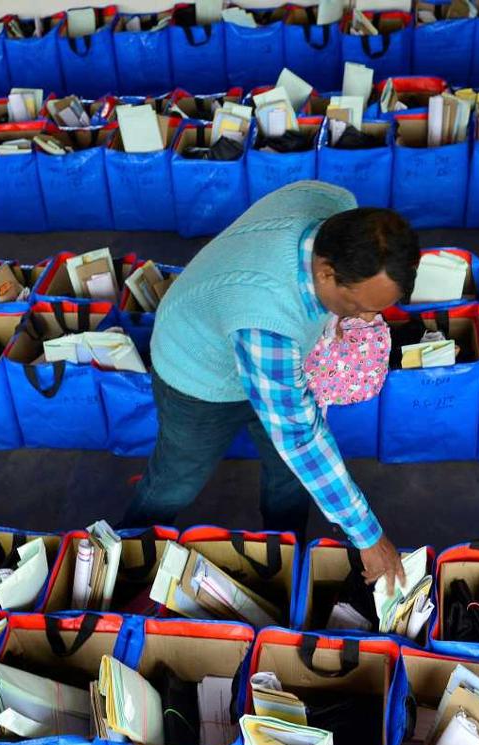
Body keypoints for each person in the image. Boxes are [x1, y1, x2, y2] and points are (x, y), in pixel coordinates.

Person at [121, 180, 418, 587]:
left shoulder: (335, 205)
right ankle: (123, 554)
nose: (367, 320)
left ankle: (283, 559)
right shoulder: (268, 318)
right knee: (177, 479)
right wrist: (367, 535)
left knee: (292, 477)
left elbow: (293, 438)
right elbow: (299, 435)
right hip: (197, 370)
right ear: (327, 273)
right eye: (359, 307)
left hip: (258, 350)